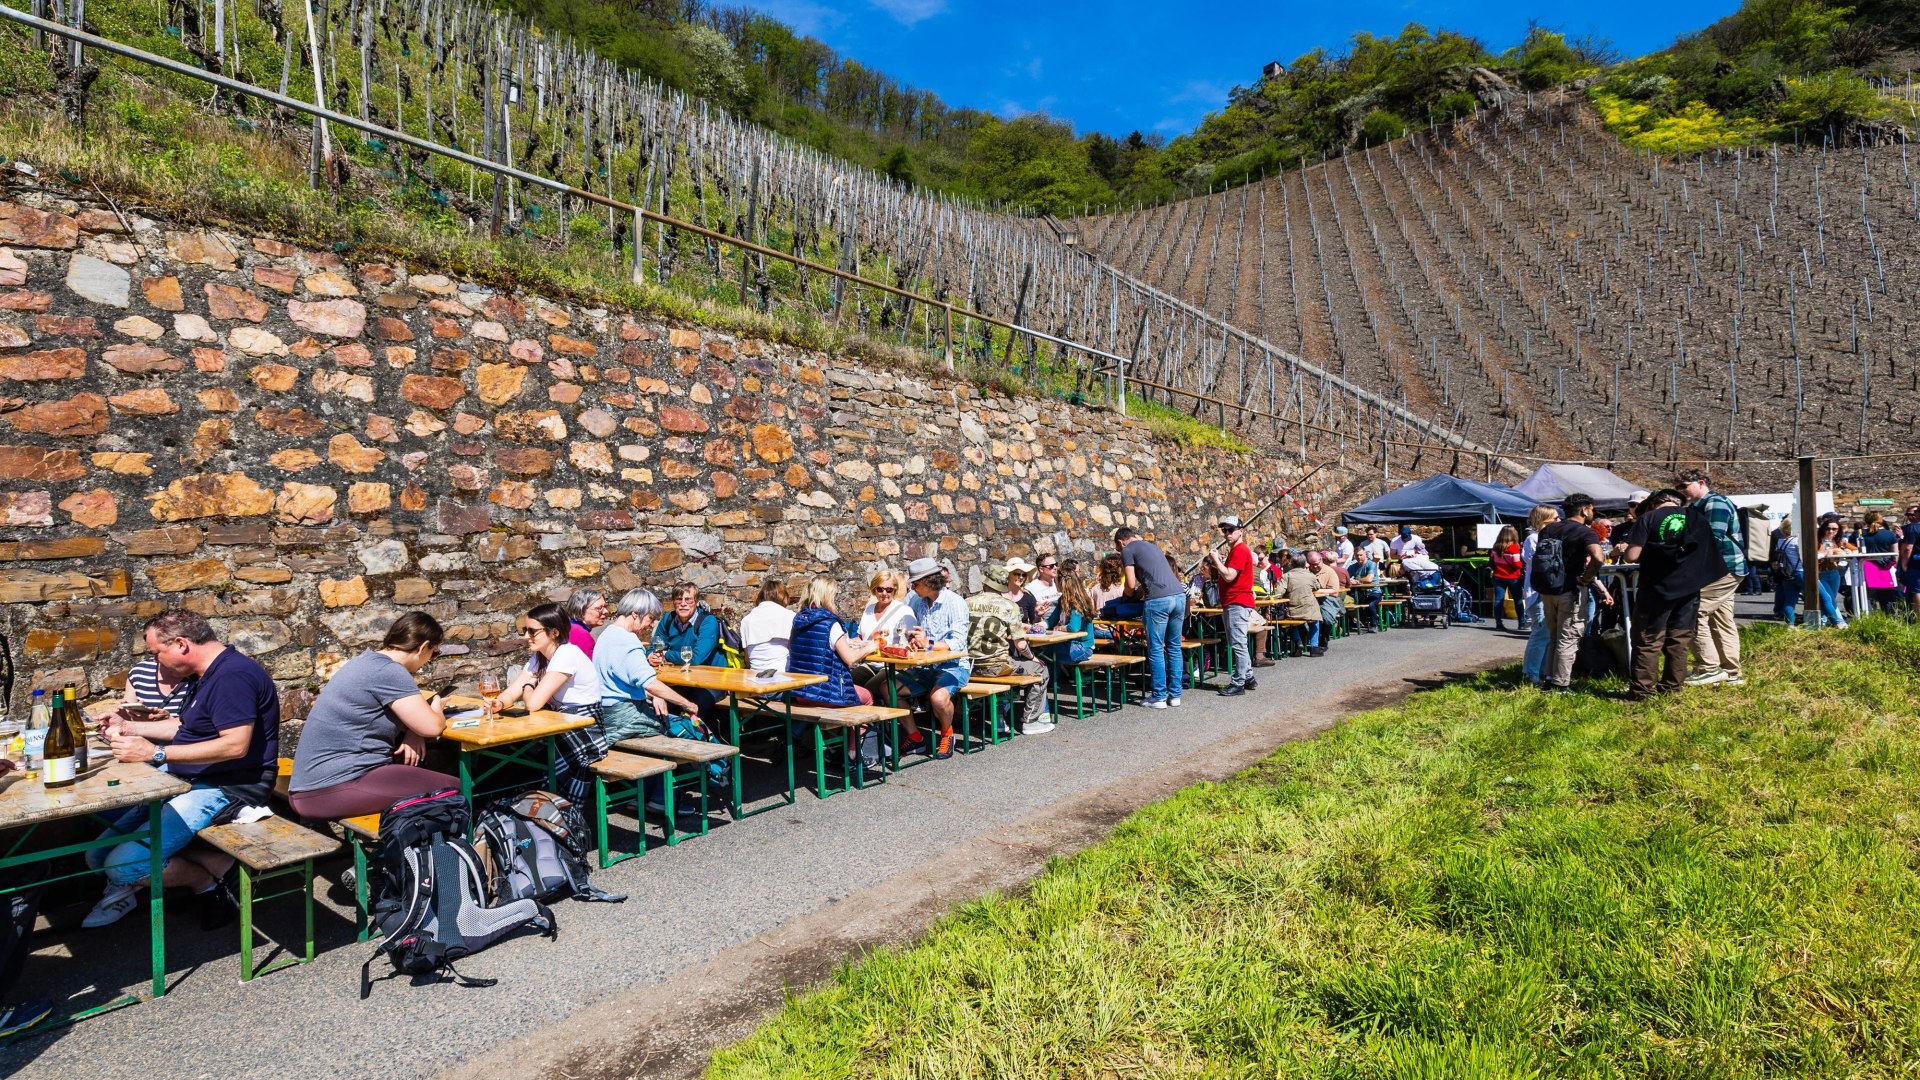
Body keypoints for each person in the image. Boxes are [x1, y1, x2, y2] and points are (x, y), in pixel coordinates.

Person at [84, 609, 279, 930]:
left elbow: (235, 745)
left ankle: (207, 882)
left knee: (123, 866)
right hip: (190, 780)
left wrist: (155, 754)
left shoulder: (232, 676)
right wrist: (129, 726)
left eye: (157, 653)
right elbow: (185, 728)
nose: (156, 662)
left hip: (226, 787)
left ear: (180, 644)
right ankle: (220, 867)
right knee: (95, 856)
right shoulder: (209, 674)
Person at [287, 612, 458, 820]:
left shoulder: (364, 662)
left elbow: (403, 719)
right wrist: (437, 708)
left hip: (311, 786)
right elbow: (432, 727)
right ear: (424, 647)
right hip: (334, 788)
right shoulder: (389, 671)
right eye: (434, 653)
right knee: (462, 788)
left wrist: (414, 732)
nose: (430, 659)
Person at [495, 603, 606, 803]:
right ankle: (526, 801)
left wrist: (529, 686)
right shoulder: (539, 657)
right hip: (561, 722)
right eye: (525, 630)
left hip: (585, 729)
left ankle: (550, 805)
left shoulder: (566, 654)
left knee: (533, 752)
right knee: (512, 749)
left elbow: (533, 703)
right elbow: (513, 691)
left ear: (554, 632)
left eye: (532, 631)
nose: (525, 637)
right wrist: (498, 703)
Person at [1622, 490, 1723, 700]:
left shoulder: (1649, 518)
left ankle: (1642, 691)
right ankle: (1671, 688)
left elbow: (1632, 556)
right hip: (1689, 587)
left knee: (1649, 639)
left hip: (1656, 587)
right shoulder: (1697, 518)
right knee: (1679, 639)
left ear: (1653, 503)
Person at [595, 588, 704, 745]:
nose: (651, 625)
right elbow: (650, 683)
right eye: (650, 618)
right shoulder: (628, 640)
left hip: (607, 714)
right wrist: (688, 704)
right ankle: (718, 767)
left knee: (671, 718)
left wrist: (655, 696)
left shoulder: (606, 634)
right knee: (692, 728)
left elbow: (624, 681)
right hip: (626, 719)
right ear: (635, 613)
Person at [1534, 494, 1614, 693]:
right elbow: (1598, 557)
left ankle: (1549, 678)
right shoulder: (1584, 531)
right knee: (1568, 638)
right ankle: (1561, 685)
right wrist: (1586, 579)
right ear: (1584, 510)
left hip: (1548, 590)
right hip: (1570, 591)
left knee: (1554, 636)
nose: (1592, 514)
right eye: (1592, 510)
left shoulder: (1548, 529)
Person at [1676, 469, 1748, 687]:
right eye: (1678, 487)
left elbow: (1712, 538)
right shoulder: (1699, 506)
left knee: (1693, 611)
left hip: (1723, 567)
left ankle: (1708, 668)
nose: (1680, 490)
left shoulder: (1715, 503)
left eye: (1684, 485)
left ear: (1700, 482)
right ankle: (1731, 672)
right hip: (1727, 567)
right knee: (1722, 620)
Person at [968, 563, 1051, 735]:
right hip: (996, 666)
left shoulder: (967, 603)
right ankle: (1031, 721)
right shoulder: (1008, 606)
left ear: (984, 584)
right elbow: (1020, 645)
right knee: (1041, 670)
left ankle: (997, 716)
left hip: (970, 666)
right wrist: (1033, 657)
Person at [902, 557, 972, 759]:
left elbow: (959, 642)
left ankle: (947, 733)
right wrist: (911, 639)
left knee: (938, 698)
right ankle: (915, 736)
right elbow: (910, 629)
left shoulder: (955, 602)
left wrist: (929, 644)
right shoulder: (916, 600)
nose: (912, 587)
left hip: (953, 665)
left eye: (915, 583)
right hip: (924, 666)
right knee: (888, 689)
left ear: (928, 581)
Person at [1117, 526, 1188, 709]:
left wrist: (1125, 597)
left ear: (1120, 542)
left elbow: (1131, 585)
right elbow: (1148, 581)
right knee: (1174, 646)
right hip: (1179, 596)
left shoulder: (1127, 550)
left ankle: (1158, 697)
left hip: (1158, 601)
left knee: (1156, 648)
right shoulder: (1151, 546)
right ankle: (1175, 695)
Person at [788, 577, 881, 708]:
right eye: (834, 596)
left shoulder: (798, 621)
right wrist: (870, 647)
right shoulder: (830, 623)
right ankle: (860, 729)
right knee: (868, 697)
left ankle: (842, 729)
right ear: (827, 597)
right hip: (829, 694)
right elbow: (850, 658)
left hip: (801, 693)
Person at [1203, 514, 1258, 697]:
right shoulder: (1236, 550)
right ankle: (1248, 676)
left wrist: (1216, 560)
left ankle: (1239, 681)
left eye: (1230, 530)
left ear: (1240, 531)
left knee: (1238, 643)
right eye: (1224, 530)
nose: (1227, 534)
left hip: (1238, 601)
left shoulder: (1240, 550)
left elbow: (1229, 576)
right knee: (1237, 641)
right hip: (1233, 601)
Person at [1521, 504, 1559, 685]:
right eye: (1555, 519)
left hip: (1548, 592)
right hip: (1537, 593)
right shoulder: (1533, 539)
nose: (1559, 522)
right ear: (1544, 521)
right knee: (1541, 632)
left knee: (1546, 634)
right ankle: (1531, 673)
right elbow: (1538, 564)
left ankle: (1540, 672)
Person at [739, 577, 795, 673]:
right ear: (783, 597)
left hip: (755, 677)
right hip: (784, 677)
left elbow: (747, 660)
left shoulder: (746, 621)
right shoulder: (790, 616)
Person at [1276, 550, 1325, 656]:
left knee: (1292, 623)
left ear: (1292, 564)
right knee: (1315, 621)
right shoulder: (1311, 576)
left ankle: (1298, 641)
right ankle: (1314, 646)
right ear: (1304, 563)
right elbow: (1317, 587)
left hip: (1293, 610)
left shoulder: (1286, 576)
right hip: (1309, 610)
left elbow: (1279, 592)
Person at [1047, 567, 1099, 666]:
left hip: (1082, 647)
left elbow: (1074, 627)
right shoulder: (1062, 600)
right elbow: (1050, 621)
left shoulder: (1076, 601)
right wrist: (1036, 626)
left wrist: (1060, 628)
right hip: (1069, 644)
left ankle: (1055, 680)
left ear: (1062, 583)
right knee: (1046, 652)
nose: (1055, 584)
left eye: (1056, 581)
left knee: (1049, 655)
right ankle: (1054, 679)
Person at [1813, 518, 1854, 630]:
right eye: (1828, 528)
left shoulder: (1839, 541)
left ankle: (1823, 621)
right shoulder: (1817, 541)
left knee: (1831, 599)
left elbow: (1855, 549)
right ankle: (1840, 623)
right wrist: (1826, 552)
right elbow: (1812, 556)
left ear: (1838, 530)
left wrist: (1847, 551)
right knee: (1828, 599)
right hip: (1820, 573)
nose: (1831, 531)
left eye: (1834, 529)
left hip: (1834, 573)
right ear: (1823, 528)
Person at [1859, 512, 1902, 615]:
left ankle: (1868, 618)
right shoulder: (1890, 534)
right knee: (1887, 597)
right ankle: (1890, 619)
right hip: (1885, 568)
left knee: (1868, 596)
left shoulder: (1860, 534)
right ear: (1881, 520)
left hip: (1866, 567)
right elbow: (1895, 554)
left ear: (1865, 521)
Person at [1489, 525, 1525, 632]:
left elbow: (1493, 561)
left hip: (1498, 576)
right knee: (1517, 600)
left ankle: (1498, 623)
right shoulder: (1514, 547)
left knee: (1499, 600)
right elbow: (1517, 564)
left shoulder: (1496, 546)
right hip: (1513, 577)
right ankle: (1521, 623)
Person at [1770, 518, 1804, 625]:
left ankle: (1790, 625)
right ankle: (1837, 623)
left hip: (1786, 573)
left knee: (1789, 601)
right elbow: (1803, 557)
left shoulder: (1780, 541)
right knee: (1823, 597)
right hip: (1799, 571)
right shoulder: (1796, 541)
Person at [565, 588, 609, 658]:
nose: (606, 611)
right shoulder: (580, 635)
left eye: (605, 607)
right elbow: (590, 667)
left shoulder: (569, 628)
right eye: (599, 608)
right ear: (581, 610)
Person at [1350, 544, 1382, 632]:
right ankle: (1350, 623)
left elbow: (1369, 579)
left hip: (1374, 592)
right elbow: (1346, 578)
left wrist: (1357, 580)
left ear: (1365, 554)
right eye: (1357, 555)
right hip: (1360, 593)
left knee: (1371, 605)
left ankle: (1374, 625)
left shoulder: (1371, 564)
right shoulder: (1352, 566)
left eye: (1361, 555)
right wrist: (1350, 581)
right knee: (1347, 603)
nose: (1359, 557)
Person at [1002, 557, 1039, 624]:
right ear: (1008, 574)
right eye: (1017, 574)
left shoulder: (1028, 597)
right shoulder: (998, 594)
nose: (1021, 577)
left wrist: (1038, 616)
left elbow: (1034, 623)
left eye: (1024, 575)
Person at [1027, 554, 1062, 624]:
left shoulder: (1060, 583)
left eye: (1056, 564)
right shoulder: (1031, 588)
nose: (1055, 568)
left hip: (1063, 627)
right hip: (1046, 627)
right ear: (1041, 569)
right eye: (1051, 566)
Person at [1902, 503, 1920, 619]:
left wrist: (1904, 563)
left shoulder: (1914, 528)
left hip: (1917, 562)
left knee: (1918, 590)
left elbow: (1908, 548)